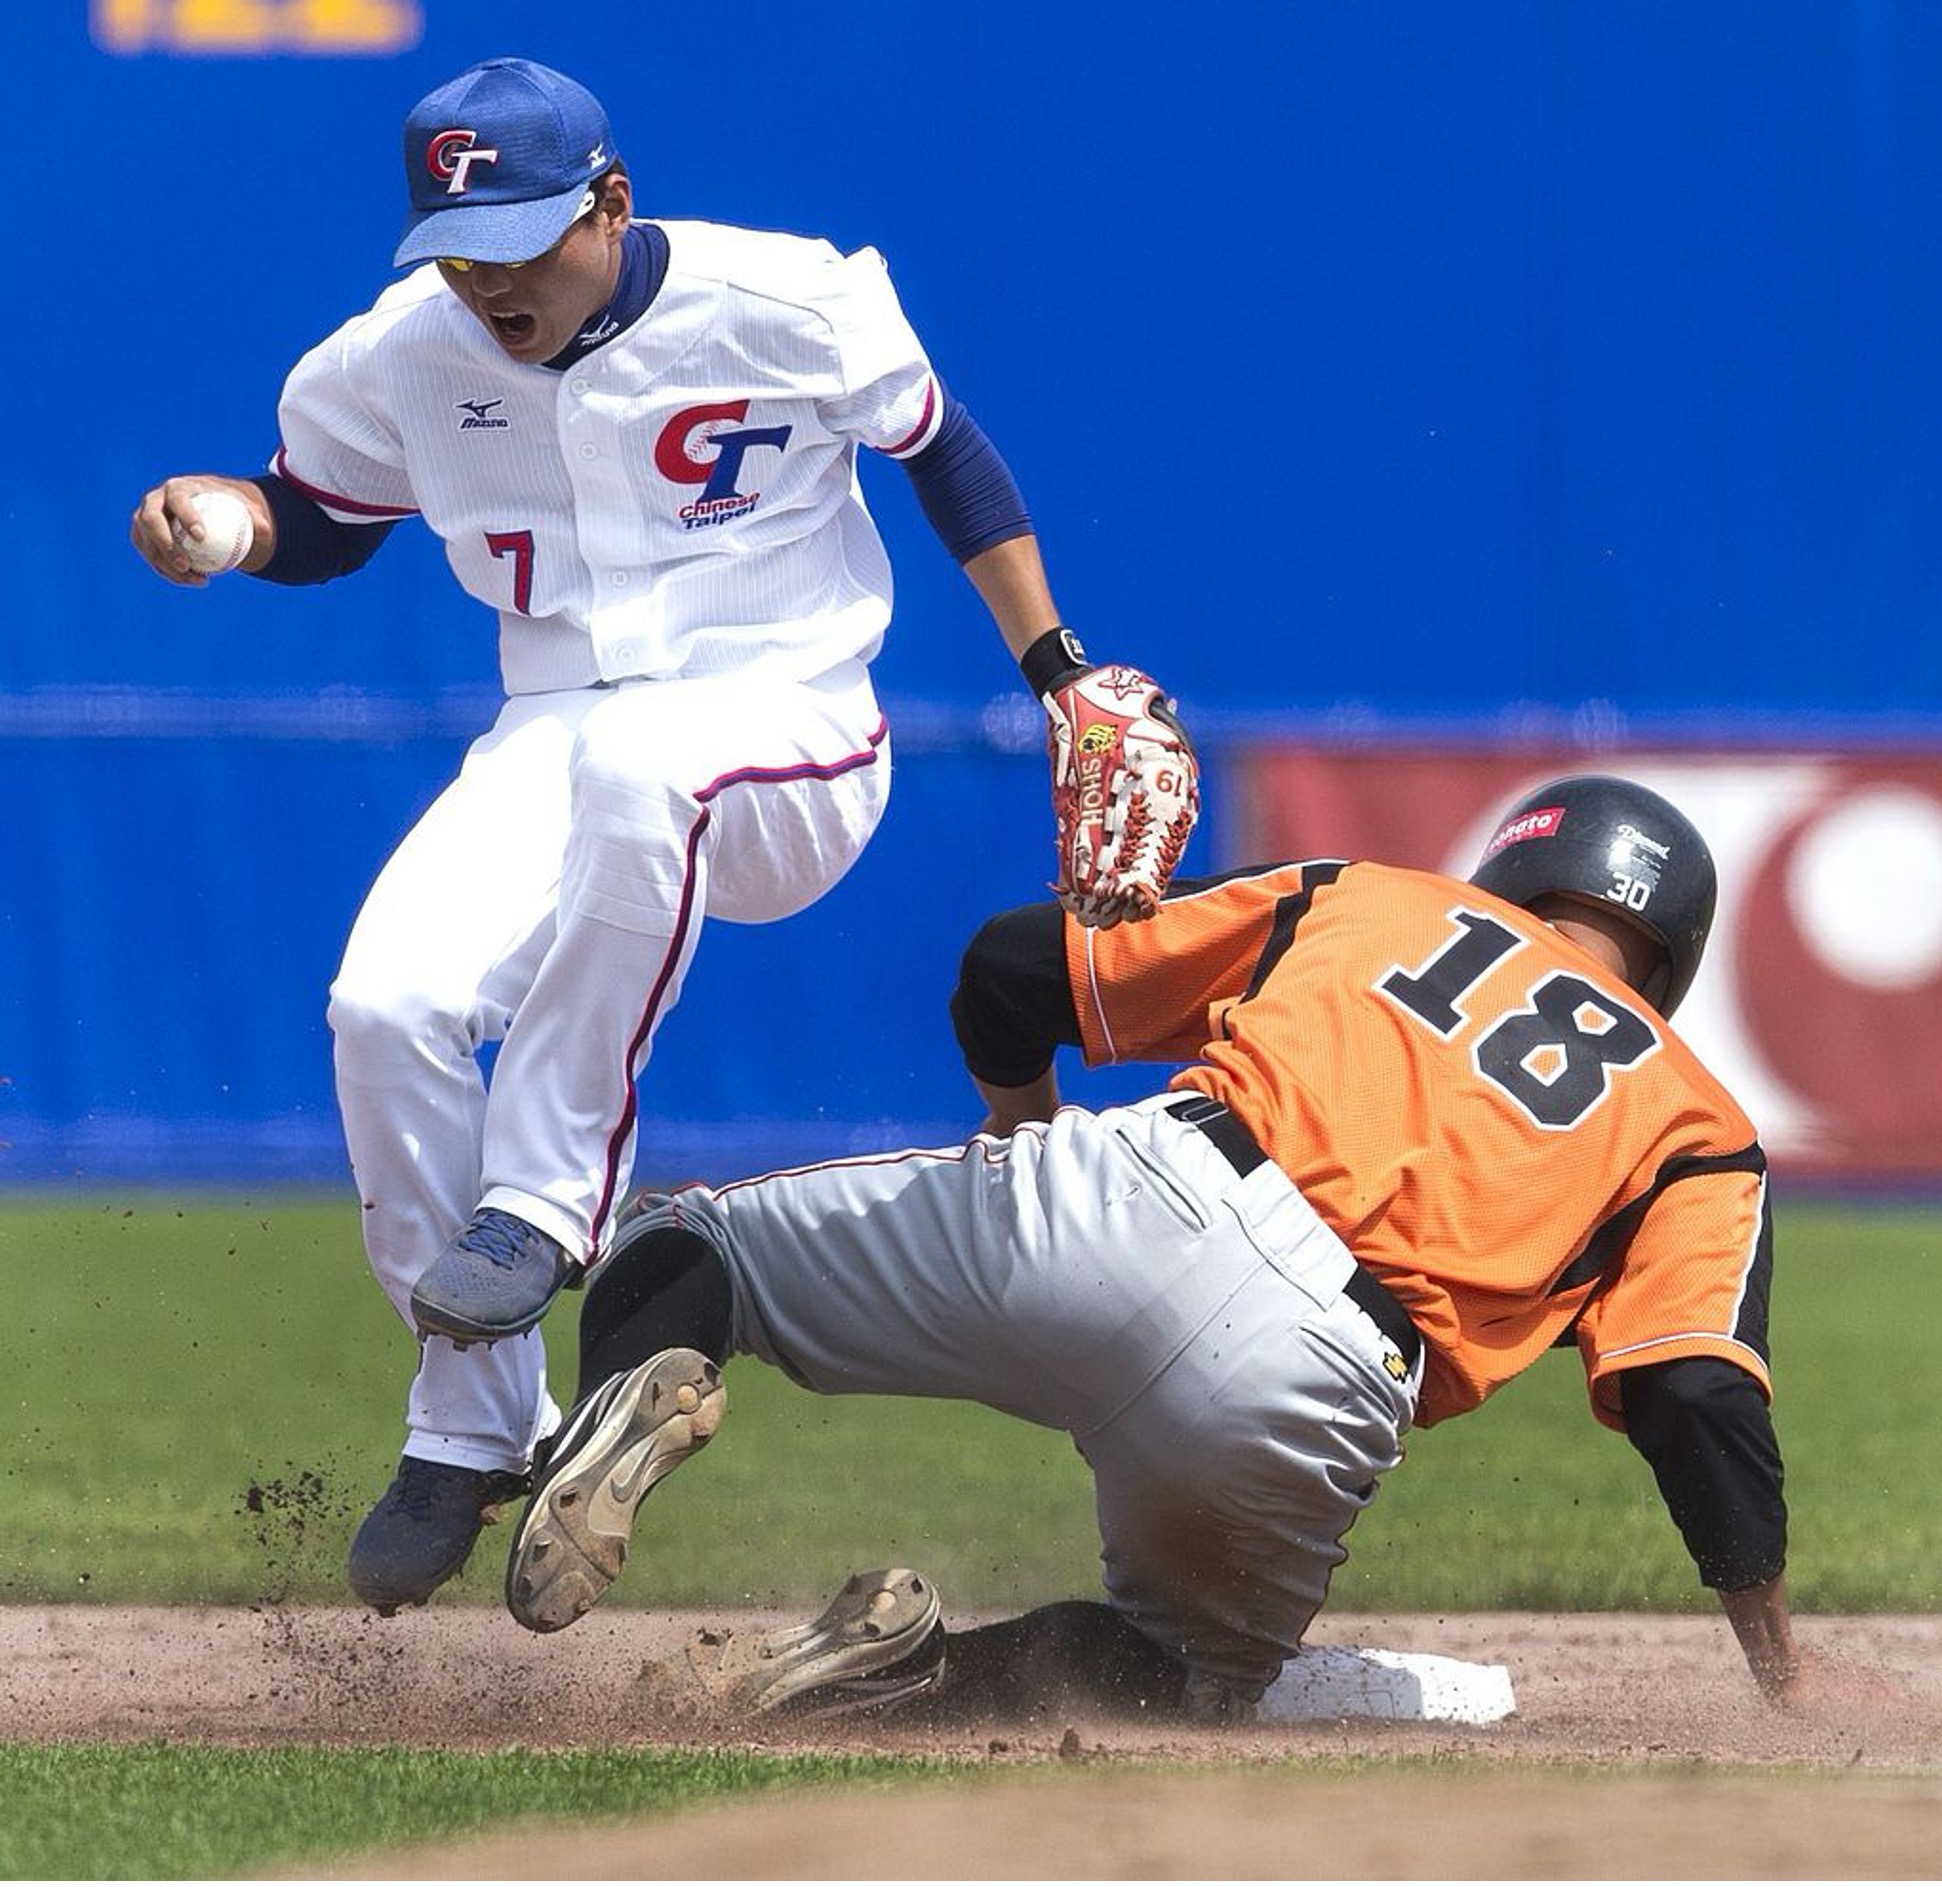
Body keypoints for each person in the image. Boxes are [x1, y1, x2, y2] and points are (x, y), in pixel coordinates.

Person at [129, 56, 1190, 1615]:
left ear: (610, 204)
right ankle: (474, 1432)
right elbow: (325, 516)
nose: (489, 281)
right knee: (388, 1009)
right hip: (551, 723)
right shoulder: (402, 355)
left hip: (788, 723)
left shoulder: (785, 300)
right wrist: (223, 523)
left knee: (646, 768)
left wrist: (1054, 667)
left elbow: (941, 451)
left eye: (524, 239)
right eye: (459, 247)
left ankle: (551, 1201)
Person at [498, 773, 1823, 1725]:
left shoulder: (1373, 900)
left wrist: (1021, 1149)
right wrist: (1783, 1676)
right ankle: (884, 1677)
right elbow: (1691, 1393)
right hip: (1321, 1385)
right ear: (1673, 964)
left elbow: (1014, 967)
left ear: (1507, 879)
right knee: (1163, 1682)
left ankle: (624, 1408)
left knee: (688, 1248)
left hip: (1138, 1190)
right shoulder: (1699, 1129)